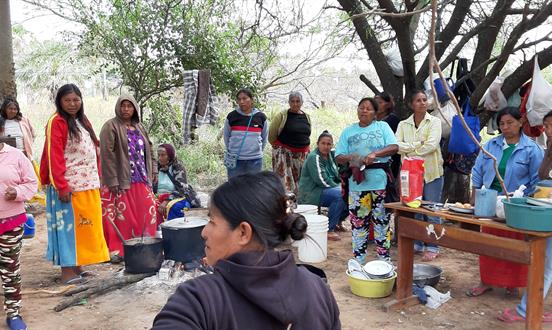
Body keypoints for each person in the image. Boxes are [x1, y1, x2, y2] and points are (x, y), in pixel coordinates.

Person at [152, 171, 340, 329]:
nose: (204, 232)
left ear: (243, 232)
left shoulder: (198, 301)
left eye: (212, 221)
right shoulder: (318, 290)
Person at [467, 107, 544, 298]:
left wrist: (524, 199)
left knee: (513, 245)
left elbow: (537, 181)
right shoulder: (491, 144)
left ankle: (513, 284)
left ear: (520, 122)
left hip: (514, 205)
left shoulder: (532, 149)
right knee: (488, 243)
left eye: (510, 123)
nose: (505, 127)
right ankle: (486, 281)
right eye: (502, 124)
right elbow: (477, 171)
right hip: (488, 201)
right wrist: (474, 194)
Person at [39, 84, 109, 284]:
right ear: (59, 101)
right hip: (69, 186)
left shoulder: (81, 120)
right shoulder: (57, 122)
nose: (72, 104)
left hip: (88, 184)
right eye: (67, 100)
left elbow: (92, 148)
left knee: (84, 228)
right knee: (69, 230)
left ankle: (79, 266)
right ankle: (68, 272)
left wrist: (100, 177)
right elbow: (54, 156)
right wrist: (61, 185)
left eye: (76, 100)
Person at [498, 109, 552, 323]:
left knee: (545, 263)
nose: (544, 130)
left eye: (548, 126)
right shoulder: (548, 148)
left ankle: (525, 311)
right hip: (546, 210)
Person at [335, 97, 398, 263]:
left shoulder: (382, 127)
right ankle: (358, 260)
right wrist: (353, 157)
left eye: (368, 108)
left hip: (380, 182)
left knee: (381, 222)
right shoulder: (348, 131)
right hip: (357, 184)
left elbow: (394, 147)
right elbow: (339, 156)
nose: (364, 111)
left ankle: (383, 261)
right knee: (358, 223)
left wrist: (375, 154)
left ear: (375, 113)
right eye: (361, 107)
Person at [100, 95, 159, 262]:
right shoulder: (110, 126)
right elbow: (107, 155)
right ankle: (122, 250)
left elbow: (150, 149)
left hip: (142, 178)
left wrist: (153, 170)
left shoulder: (139, 126)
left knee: (148, 212)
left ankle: (146, 246)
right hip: (122, 180)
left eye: (129, 106)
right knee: (124, 217)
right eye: (123, 106)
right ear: (118, 107)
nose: (126, 109)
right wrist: (112, 180)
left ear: (135, 108)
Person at [395, 90, 444, 262]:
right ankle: (418, 242)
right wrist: (417, 145)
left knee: (431, 210)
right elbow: (397, 145)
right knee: (414, 208)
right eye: (418, 100)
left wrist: (410, 149)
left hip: (431, 172)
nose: (423, 103)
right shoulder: (403, 124)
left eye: (424, 100)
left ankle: (432, 245)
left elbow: (431, 145)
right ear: (411, 104)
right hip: (410, 175)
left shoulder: (435, 121)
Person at [0, 116, 37, 330]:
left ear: (2, 129)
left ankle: (13, 313)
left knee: (10, 269)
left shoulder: (15, 156)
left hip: (10, 221)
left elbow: (31, 184)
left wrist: (18, 192)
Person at [298, 131, 348, 241]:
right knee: (340, 194)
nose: (326, 146)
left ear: (332, 145)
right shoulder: (314, 157)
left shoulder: (331, 155)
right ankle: (329, 229)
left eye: (329, 144)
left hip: (325, 189)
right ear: (318, 144)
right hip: (312, 192)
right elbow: (322, 181)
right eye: (323, 143)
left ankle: (338, 221)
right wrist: (340, 187)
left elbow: (336, 175)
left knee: (351, 192)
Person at [269, 92, 311, 194]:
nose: (295, 104)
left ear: (302, 102)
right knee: (285, 186)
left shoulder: (306, 116)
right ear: (289, 102)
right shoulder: (282, 116)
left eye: (298, 101)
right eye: (292, 101)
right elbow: (271, 135)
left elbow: (307, 133)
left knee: (302, 183)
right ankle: (286, 206)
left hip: (302, 156)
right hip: (285, 156)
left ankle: (300, 206)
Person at [223, 88, 268, 179]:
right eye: (239, 99)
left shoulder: (261, 117)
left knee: (252, 189)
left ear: (251, 100)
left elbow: (264, 138)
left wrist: (256, 152)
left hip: (255, 161)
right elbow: (226, 137)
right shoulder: (231, 116)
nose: (241, 101)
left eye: (244, 98)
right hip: (235, 160)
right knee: (234, 187)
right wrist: (233, 151)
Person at [155, 143, 201, 220]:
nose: (160, 158)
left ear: (170, 156)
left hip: (176, 197)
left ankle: (173, 230)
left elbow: (182, 189)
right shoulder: (155, 168)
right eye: (158, 155)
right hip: (158, 197)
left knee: (176, 207)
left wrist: (166, 201)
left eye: (163, 155)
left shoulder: (177, 166)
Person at [375, 92, 401, 179]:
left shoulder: (393, 120)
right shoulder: (371, 121)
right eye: (374, 102)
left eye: (380, 103)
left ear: (388, 105)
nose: (376, 105)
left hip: (390, 161)